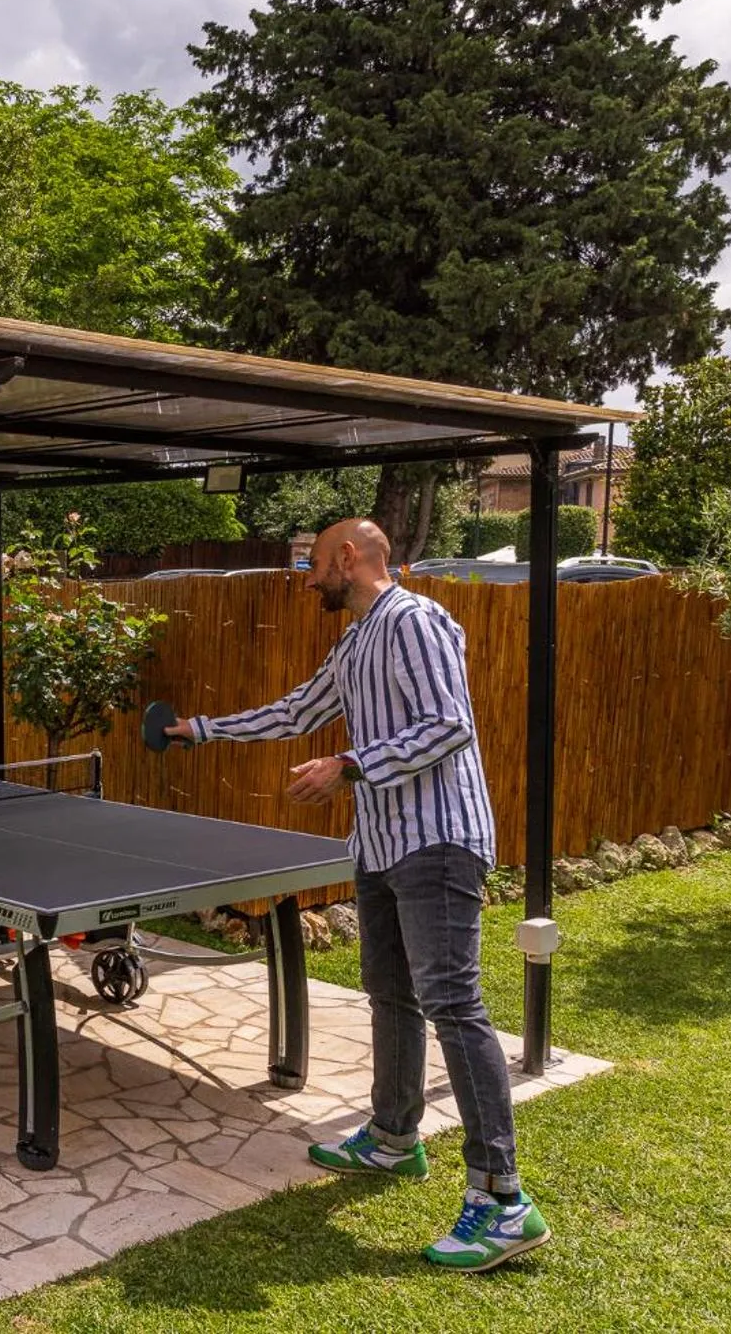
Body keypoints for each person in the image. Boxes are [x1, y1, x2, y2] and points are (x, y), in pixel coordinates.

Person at [166, 517, 550, 1273]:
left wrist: (348, 763)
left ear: (349, 557)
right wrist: (199, 729)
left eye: (314, 564)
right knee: (391, 992)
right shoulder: (354, 641)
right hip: (381, 843)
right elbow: (295, 710)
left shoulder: (415, 620)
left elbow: (450, 724)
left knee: (452, 1003)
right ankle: (393, 1136)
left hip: (437, 839)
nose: (308, 579)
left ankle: (503, 1199)